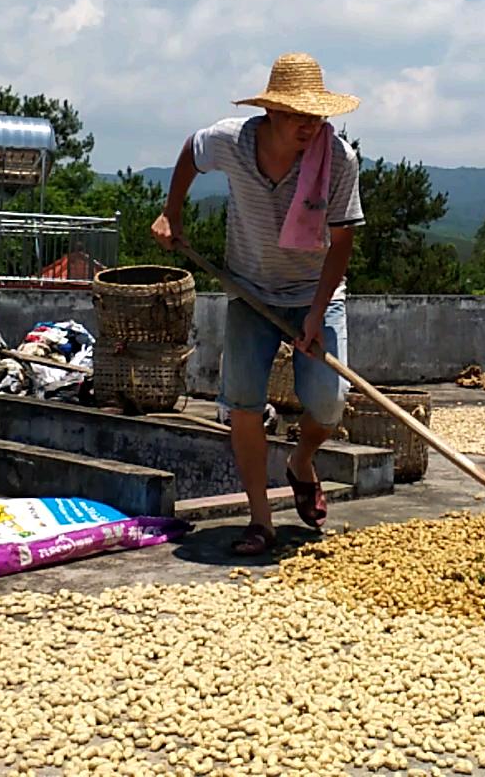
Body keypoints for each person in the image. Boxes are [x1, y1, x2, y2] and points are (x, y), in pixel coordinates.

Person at [151, 52, 364, 555]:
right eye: (296, 115)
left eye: (315, 116)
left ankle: (301, 462)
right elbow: (190, 152)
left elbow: (341, 242)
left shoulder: (339, 162)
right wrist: (170, 213)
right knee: (242, 404)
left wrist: (315, 313)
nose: (308, 126)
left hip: (315, 291)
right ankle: (261, 520)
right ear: (270, 111)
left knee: (328, 402)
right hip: (249, 289)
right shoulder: (232, 140)